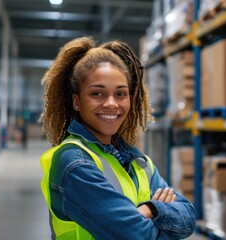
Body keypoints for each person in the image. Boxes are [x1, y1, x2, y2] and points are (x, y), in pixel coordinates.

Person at [39, 36, 196, 240]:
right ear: (77, 102)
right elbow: (138, 236)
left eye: (121, 94)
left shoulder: (139, 163)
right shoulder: (74, 163)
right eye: (97, 94)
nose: (112, 104)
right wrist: (161, 215)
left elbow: (188, 216)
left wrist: (151, 209)